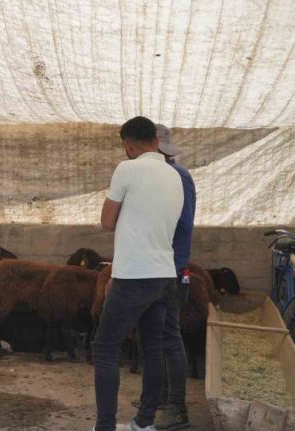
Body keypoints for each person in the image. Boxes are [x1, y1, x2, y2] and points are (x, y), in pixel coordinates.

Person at [92, 116, 184, 431]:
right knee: (153, 348)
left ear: (128, 146)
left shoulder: (127, 169)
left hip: (133, 276)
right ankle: (144, 423)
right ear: (157, 141)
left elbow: (106, 221)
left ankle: (105, 426)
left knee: (105, 348)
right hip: (164, 275)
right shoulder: (175, 176)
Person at [153, 125, 196, 431]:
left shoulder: (177, 177)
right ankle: (163, 396)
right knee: (156, 334)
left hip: (171, 267)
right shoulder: (163, 176)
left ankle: (177, 409)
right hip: (159, 266)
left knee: (169, 336)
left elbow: (177, 223)